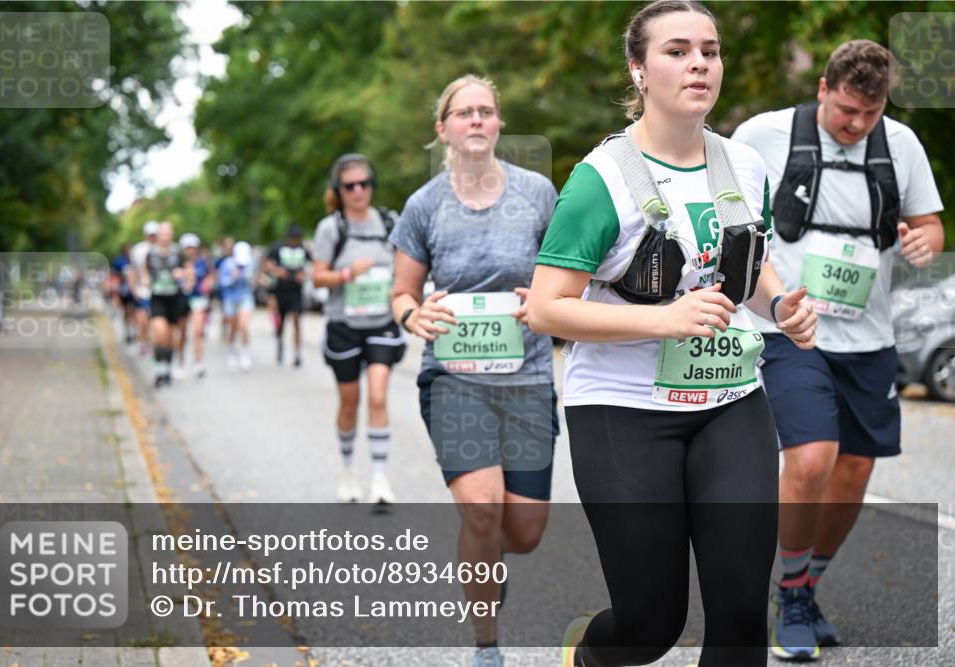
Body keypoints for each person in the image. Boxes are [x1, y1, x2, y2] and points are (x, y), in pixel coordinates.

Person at [526, 2, 818, 665]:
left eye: (710, 51)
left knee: (742, 612)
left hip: (731, 399)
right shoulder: (599, 181)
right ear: (639, 70)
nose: (699, 64)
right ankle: (590, 654)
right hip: (623, 411)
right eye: (678, 51)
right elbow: (547, 308)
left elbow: (752, 261)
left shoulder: (744, 165)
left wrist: (783, 308)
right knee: (651, 622)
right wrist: (663, 318)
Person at [730, 39, 945, 661]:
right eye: (846, 110)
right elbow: (736, 225)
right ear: (822, 88)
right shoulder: (765, 135)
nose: (855, 125)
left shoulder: (900, 145)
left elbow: (929, 223)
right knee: (812, 458)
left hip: (870, 336)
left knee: (853, 472)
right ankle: (791, 595)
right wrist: (767, 299)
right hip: (791, 328)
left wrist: (925, 244)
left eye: (868, 115)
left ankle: (802, 587)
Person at [389, 74, 558, 667]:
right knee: (481, 508)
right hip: (455, 379)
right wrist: (415, 316)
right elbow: (402, 294)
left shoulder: (538, 194)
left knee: (524, 533)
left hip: (529, 379)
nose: (478, 120)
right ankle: (487, 644)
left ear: (499, 123)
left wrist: (543, 301)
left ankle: (490, 564)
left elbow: (567, 274)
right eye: (465, 113)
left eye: (487, 110)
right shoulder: (424, 205)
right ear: (444, 129)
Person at [312, 154, 406, 505]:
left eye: (364, 183)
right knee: (350, 402)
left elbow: (406, 264)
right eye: (350, 186)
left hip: (381, 322)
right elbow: (318, 277)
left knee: (379, 395)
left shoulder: (388, 221)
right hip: (344, 325)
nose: (358, 191)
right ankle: (349, 469)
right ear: (339, 190)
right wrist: (348, 274)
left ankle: (380, 479)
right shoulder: (331, 228)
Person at [263, 224, 311, 367]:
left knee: (297, 320)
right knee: (281, 323)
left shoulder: (303, 249)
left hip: (296, 291)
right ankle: (280, 345)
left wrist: (304, 274)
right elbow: (265, 263)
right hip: (280, 291)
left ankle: (297, 353)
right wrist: (277, 271)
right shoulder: (277, 247)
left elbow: (313, 265)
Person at [147, 222, 186, 388]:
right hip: (158, 297)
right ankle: (159, 367)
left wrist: (182, 274)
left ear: (172, 235)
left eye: (167, 233)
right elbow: (145, 272)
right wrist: (143, 281)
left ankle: (166, 368)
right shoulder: (151, 253)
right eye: (162, 233)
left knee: (170, 336)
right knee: (159, 332)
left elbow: (186, 270)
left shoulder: (178, 252)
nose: (164, 236)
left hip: (174, 297)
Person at [178, 233, 213, 379]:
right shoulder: (177, 263)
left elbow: (210, 276)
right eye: (187, 248)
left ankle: (198, 362)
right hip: (181, 299)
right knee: (182, 333)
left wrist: (208, 283)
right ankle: (180, 362)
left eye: (192, 247)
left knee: (198, 331)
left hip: (198, 299)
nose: (190, 250)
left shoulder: (202, 262)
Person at [217, 241, 256, 371]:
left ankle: (245, 352)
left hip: (245, 297)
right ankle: (231, 350)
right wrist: (233, 278)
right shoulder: (226, 264)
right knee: (233, 328)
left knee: (244, 325)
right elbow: (222, 283)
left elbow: (251, 281)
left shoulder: (250, 263)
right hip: (230, 299)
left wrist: (246, 277)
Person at [130, 221, 159, 356]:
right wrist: (133, 288)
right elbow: (134, 270)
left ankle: (154, 348)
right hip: (142, 291)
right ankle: (142, 343)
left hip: (158, 291)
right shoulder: (138, 250)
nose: (152, 237)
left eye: (155, 234)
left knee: (154, 323)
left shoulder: (163, 249)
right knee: (142, 320)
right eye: (150, 235)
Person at [110, 243, 136, 344]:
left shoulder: (135, 260)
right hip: (123, 290)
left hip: (133, 291)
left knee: (133, 311)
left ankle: (133, 330)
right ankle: (127, 331)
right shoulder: (119, 261)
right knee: (126, 311)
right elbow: (113, 274)